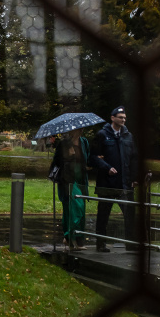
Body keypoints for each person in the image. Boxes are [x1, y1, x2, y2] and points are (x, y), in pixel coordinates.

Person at [89, 105, 138, 252]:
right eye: (120, 117)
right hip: (108, 183)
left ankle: (131, 244)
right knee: (103, 214)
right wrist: (106, 167)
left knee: (130, 215)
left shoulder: (128, 136)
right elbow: (92, 157)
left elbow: (134, 158)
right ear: (112, 118)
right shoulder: (102, 135)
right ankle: (101, 243)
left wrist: (135, 177)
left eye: (124, 118)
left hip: (125, 183)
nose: (123, 120)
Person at [52, 127, 90, 249]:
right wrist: (68, 155)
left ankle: (77, 240)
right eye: (73, 130)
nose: (75, 132)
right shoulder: (64, 143)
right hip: (68, 180)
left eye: (78, 130)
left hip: (81, 179)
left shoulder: (84, 142)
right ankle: (69, 236)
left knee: (80, 210)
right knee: (74, 208)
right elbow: (56, 162)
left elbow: (86, 158)